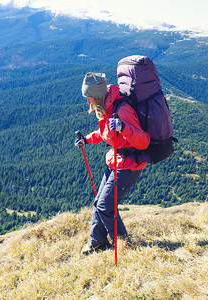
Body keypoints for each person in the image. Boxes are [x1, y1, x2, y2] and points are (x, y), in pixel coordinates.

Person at [75, 72, 150, 255]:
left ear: (99, 96)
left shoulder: (122, 110)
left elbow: (143, 141)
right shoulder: (107, 108)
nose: (88, 103)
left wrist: (123, 128)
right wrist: (87, 139)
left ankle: (124, 245)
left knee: (105, 206)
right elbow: (106, 133)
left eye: (89, 98)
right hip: (115, 161)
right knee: (98, 203)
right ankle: (97, 241)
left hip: (129, 165)